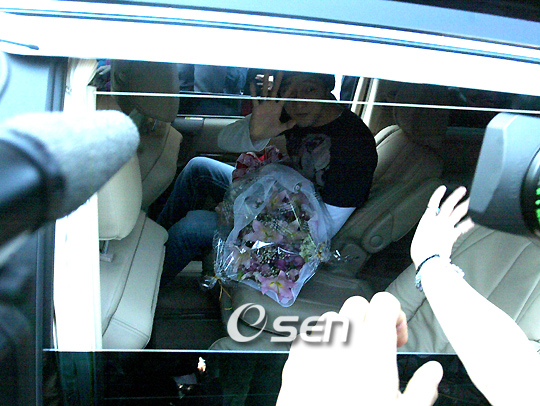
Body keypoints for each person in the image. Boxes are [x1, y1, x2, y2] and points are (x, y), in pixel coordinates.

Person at [277, 185, 540, 406]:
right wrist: (430, 264)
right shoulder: (485, 231)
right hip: (396, 360)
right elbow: (398, 302)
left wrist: (431, 264)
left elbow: (522, 384)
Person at [157, 70, 377, 286]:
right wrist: (255, 135)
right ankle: (153, 239)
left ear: (328, 88)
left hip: (297, 232)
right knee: (199, 168)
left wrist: (241, 217)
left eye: (309, 89)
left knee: (191, 227)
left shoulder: (354, 145)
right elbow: (224, 140)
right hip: (280, 198)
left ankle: (148, 285)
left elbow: (321, 230)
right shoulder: (291, 114)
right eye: (289, 92)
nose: (299, 102)